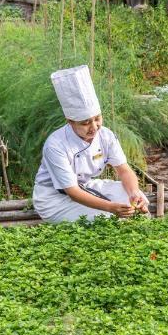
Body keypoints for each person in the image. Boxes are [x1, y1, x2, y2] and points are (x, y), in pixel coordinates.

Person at [33, 64, 149, 224]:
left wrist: (134, 193)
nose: (94, 127)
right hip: (55, 199)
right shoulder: (56, 145)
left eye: (97, 119)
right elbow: (72, 192)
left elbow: (124, 171)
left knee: (137, 197)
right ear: (70, 122)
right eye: (85, 123)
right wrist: (110, 207)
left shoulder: (106, 135)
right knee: (108, 218)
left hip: (86, 186)